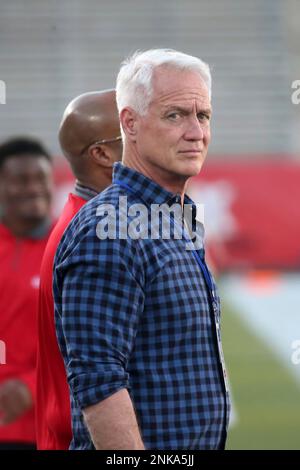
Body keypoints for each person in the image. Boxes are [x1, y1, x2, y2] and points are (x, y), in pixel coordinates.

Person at [53, 49, 231, 450]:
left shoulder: (175, 216)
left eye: (202, 116)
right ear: (129, 123)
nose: (196, 132)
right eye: (175, 115)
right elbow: (99, 381)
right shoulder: (110, 230)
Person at [35, 89, 122, 450]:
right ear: (102, 153)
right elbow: (102, 380)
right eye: (132, 130)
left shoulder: (86, 221)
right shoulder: (96, 236)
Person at [0, 137, 53, 449]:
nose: (32, 188)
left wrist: (31, 386)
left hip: (47, 428)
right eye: (21, 180)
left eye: (40, 179)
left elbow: (84, 342)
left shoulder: (68, 248)